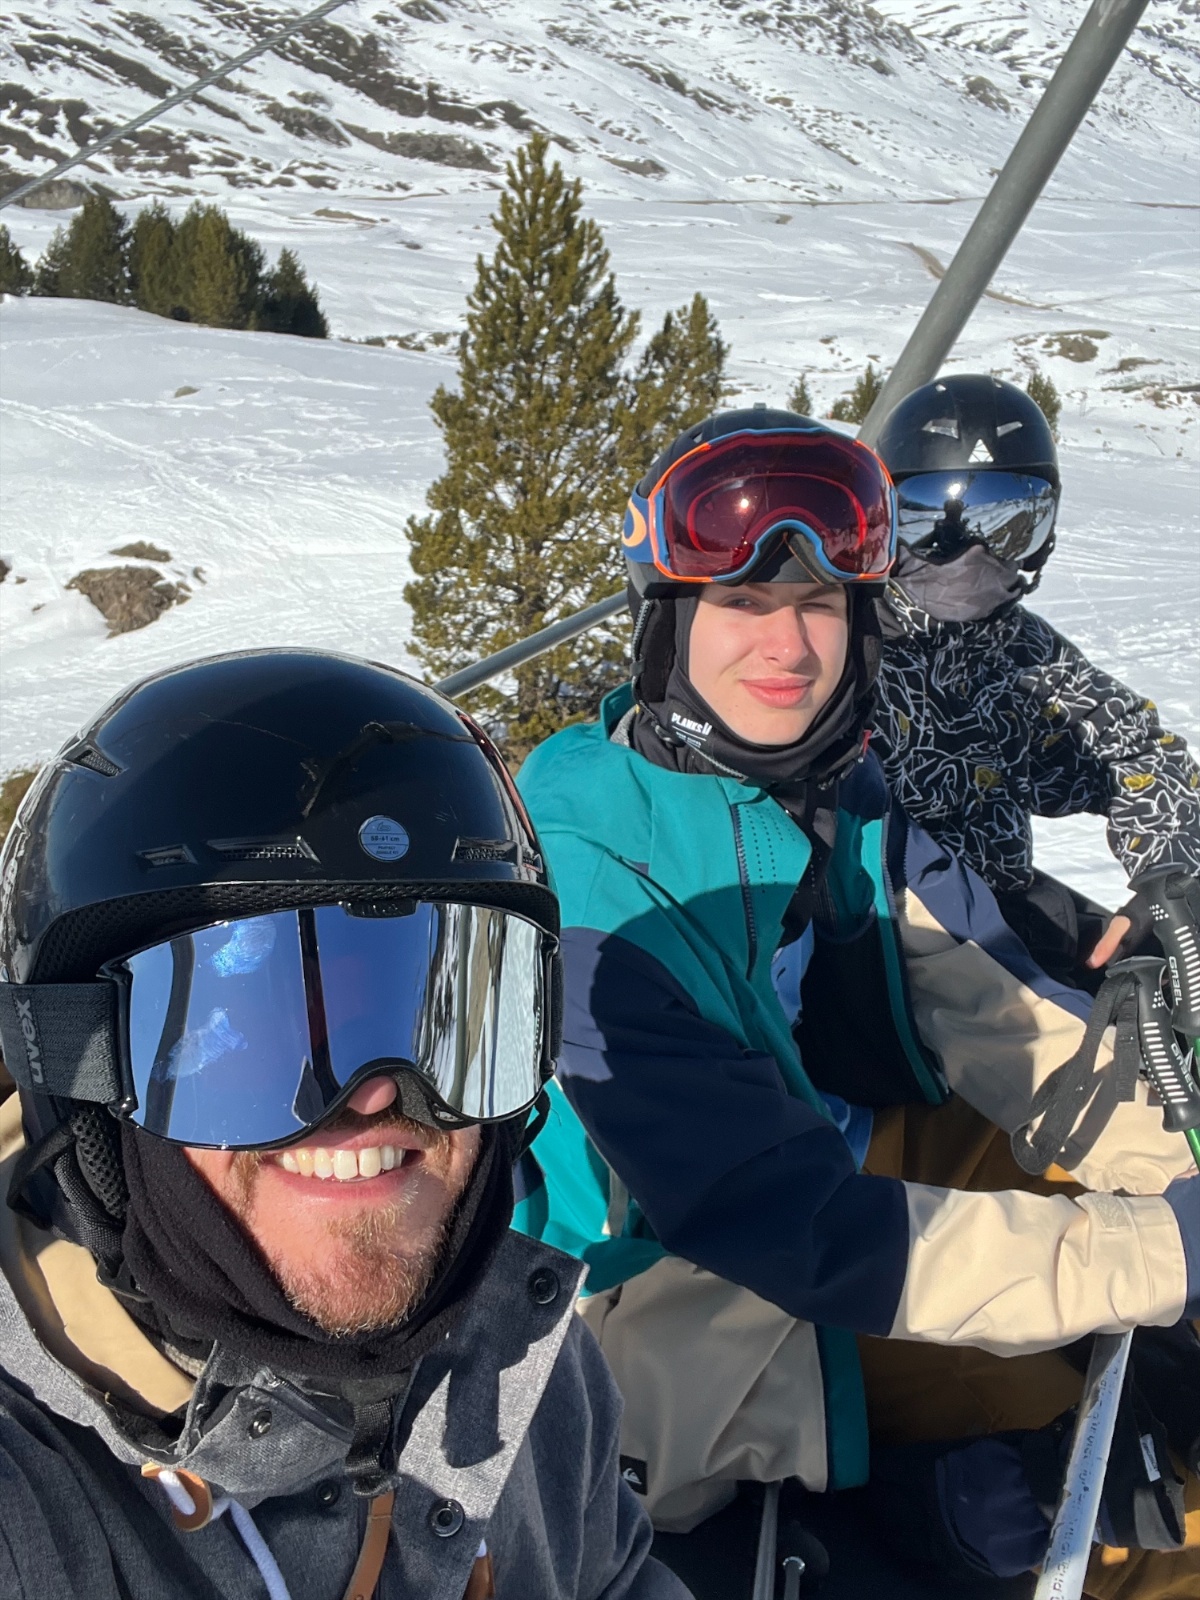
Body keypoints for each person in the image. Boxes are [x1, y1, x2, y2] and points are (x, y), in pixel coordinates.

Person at [511, 410, 1200, 1595]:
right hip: (658, 1322)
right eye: (742, 601)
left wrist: (1176, 1160)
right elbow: (791, 1224)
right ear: (669, 620)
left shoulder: (830, 788)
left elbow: (998, 1013)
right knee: (1154, 1537)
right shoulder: (600, 890)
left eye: (820, 603)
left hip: (834, 1180)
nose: (787, 643)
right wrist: (1165, 1250)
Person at [0, 649, 688, 1600]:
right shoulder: (34, 1483)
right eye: (254, 1028)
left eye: (440, 1017)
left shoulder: (527, 1351)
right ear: (84, 1070)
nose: (372, 1095)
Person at [870, 373, 1200, 992]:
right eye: (934, 526)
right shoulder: (845, 646)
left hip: (1005, 928)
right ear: (883, 521)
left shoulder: (1020, 651)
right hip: (882, 943)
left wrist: (1169, 874)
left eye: (1010, 525)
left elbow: (1136, 751)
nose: (970, 555)